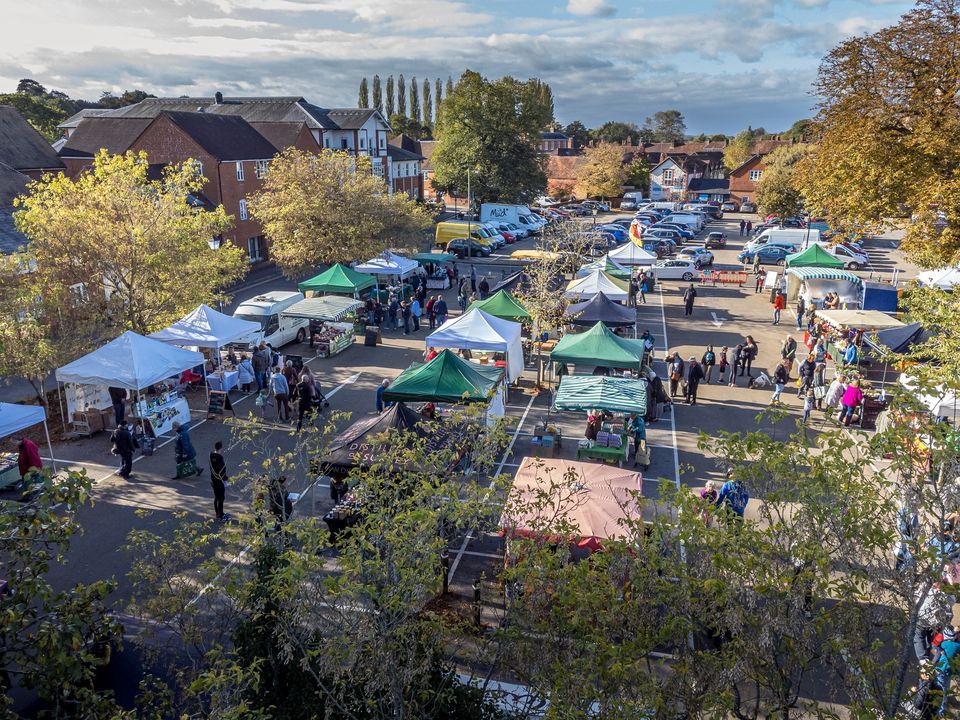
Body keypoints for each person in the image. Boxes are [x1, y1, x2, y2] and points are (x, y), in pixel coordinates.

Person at [935, 626, 960, 715]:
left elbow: (937, 644)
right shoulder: (957, 646)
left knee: (941, 689)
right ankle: (941, 709)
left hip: (940, 670)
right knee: (945, 689)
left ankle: (940, 708)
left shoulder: (945, 644)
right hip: (948, 671)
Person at [210, 441, 228, 521]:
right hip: (219, 480)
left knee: (216, 497)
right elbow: (222, 471)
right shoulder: (220, 458)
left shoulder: (211, 455)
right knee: (221, 498)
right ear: (221, 448)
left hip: (213, 479)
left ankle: (217, 513)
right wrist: (225, 479)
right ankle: (221, 514)